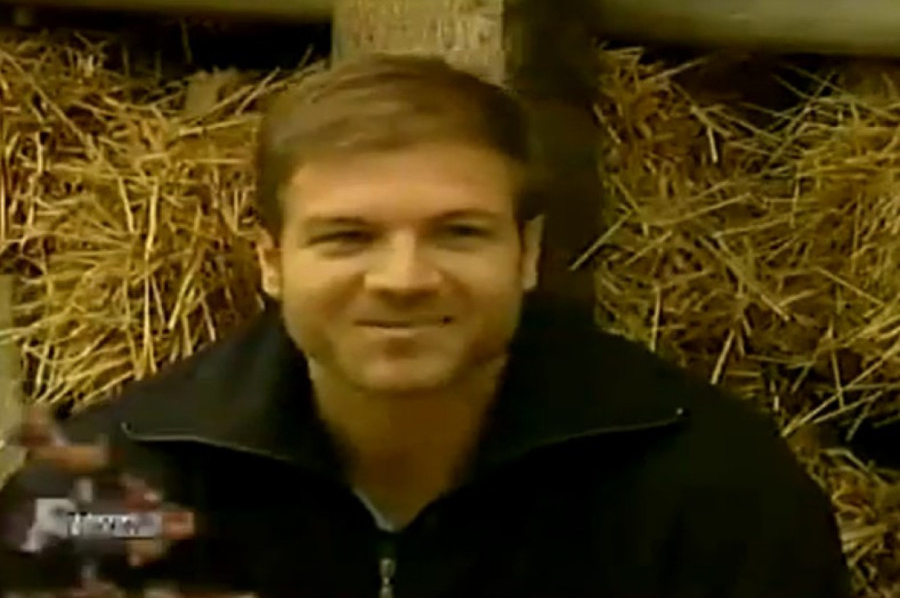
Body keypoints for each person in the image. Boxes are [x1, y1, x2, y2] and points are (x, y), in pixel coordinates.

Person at [0, 53, 850, 598]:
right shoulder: (100, 492)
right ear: (270, 260)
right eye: (348, 236)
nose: (404, 279)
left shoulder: (709, 488)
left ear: (527, 253)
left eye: (458, 232)